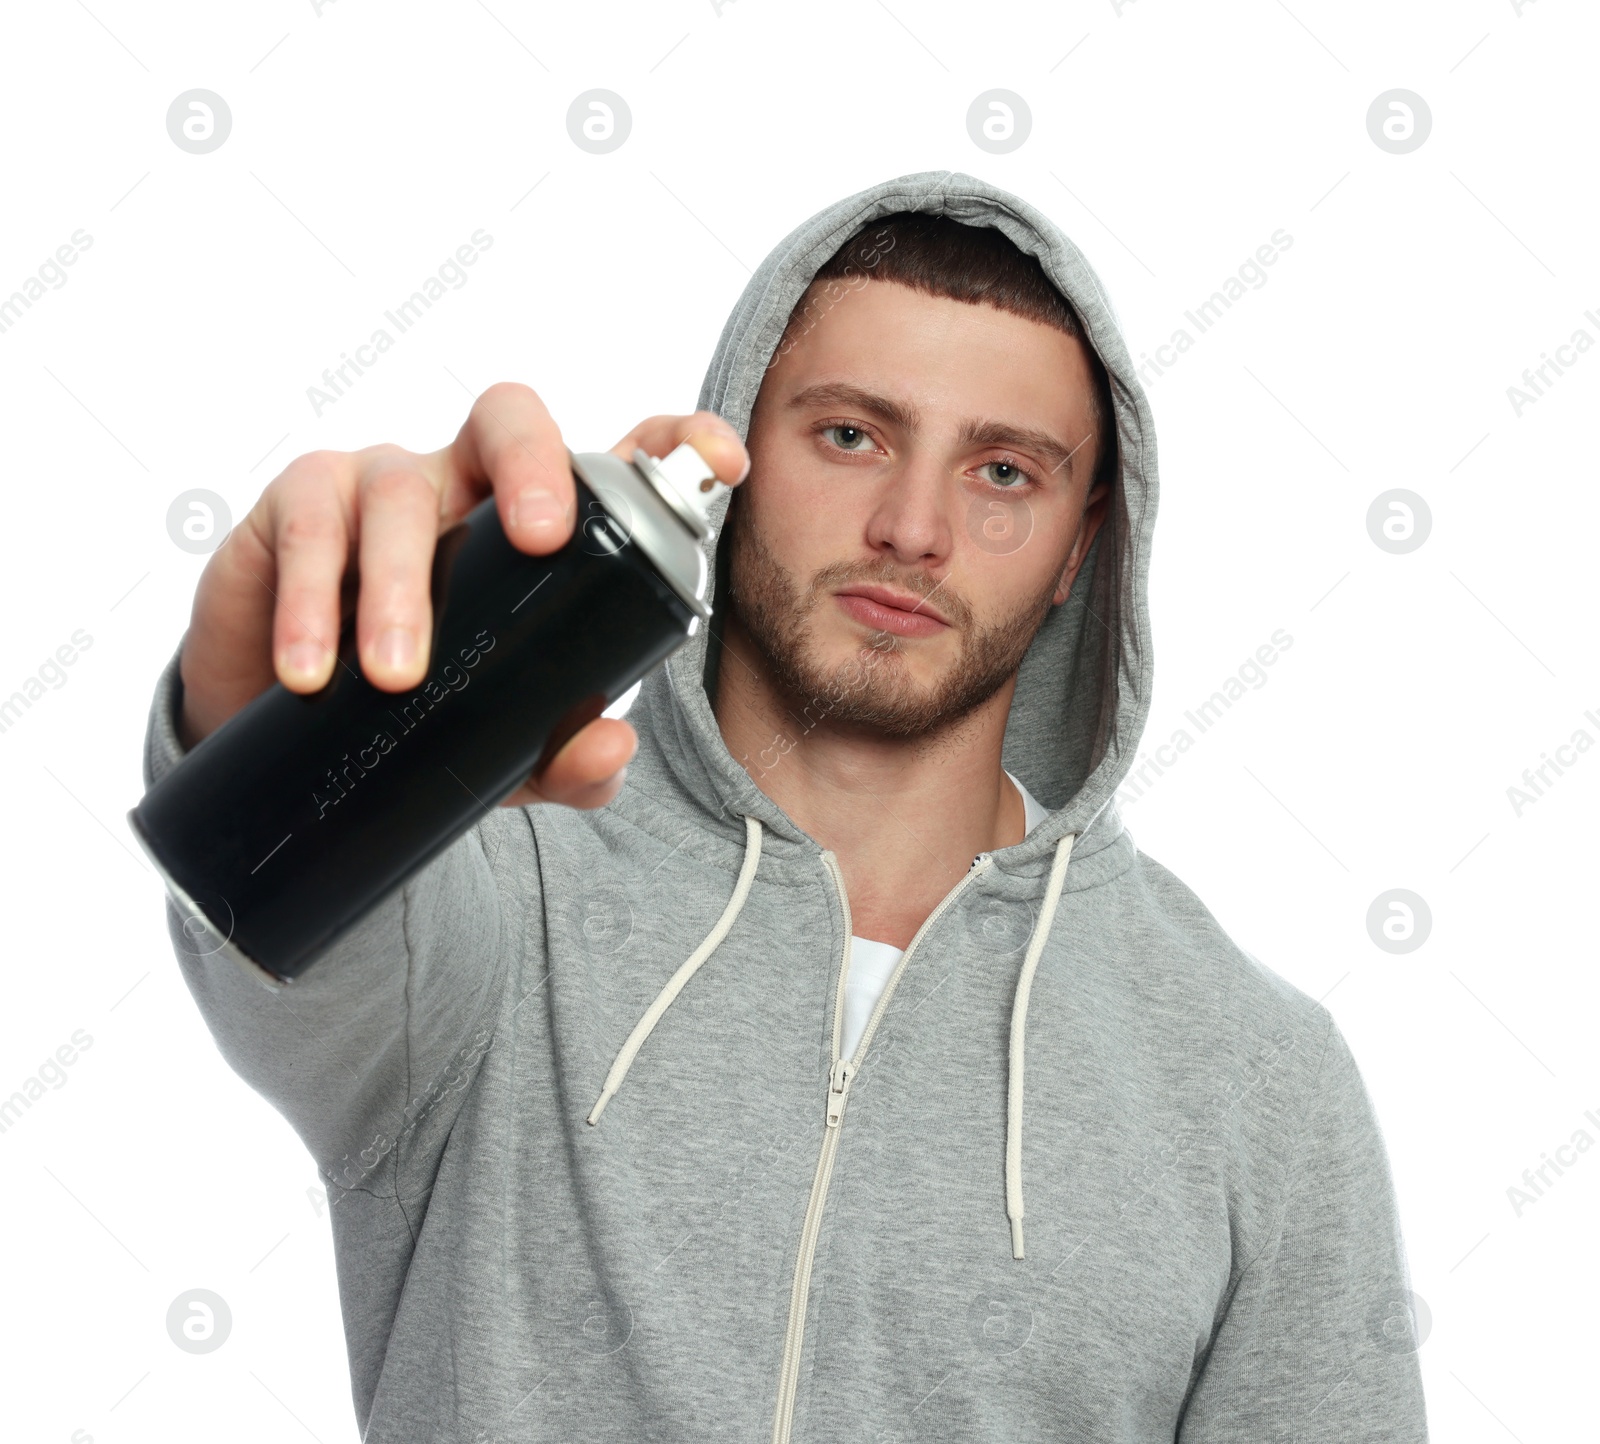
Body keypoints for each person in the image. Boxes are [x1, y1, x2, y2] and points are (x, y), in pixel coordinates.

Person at [143, 171, 1429, 1442]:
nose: (913, 527)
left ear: (1078, 550)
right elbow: (268, 887)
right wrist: (278, 712)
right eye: (852, 434)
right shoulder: (497, 900)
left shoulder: (1254, 1082)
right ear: (736, 451)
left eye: (1002, 472)